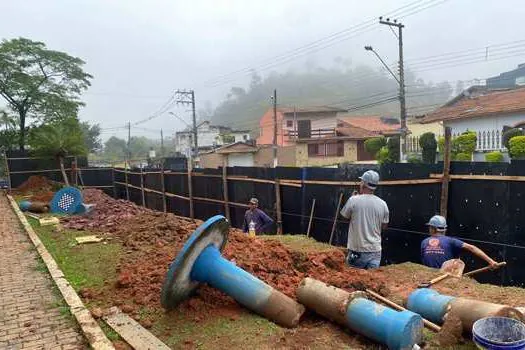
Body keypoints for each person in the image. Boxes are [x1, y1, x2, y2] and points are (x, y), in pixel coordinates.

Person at [340, 170, 389, 269]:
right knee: (371, 281)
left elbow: (344, 217)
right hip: (375, 251)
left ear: (364, 184)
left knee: (353, 280)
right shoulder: (383, 204)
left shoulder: (353, 200)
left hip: (357, 251)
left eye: (361, 181)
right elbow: (384, 226)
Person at [421, 215, 498, 269]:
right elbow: (472, 248)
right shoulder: (450, 241)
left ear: (432, 228)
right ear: (444, 229)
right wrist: (491, 261)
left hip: (428, 276)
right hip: (446, 276)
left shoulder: (424, 242)